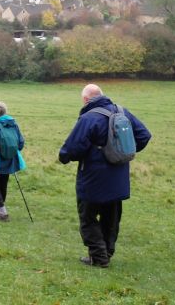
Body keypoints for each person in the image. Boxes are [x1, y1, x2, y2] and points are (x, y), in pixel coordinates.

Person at [59, 84, 151, 268]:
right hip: (118, 177)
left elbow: (73, 148)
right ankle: (106, 252)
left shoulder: (89, 118)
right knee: (111, 217)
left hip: (93, 178)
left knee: (88, 217)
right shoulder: (122, 112)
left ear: (86, 100)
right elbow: (144, 135)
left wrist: (64, 157)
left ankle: (99, 256)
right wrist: (122, 153)